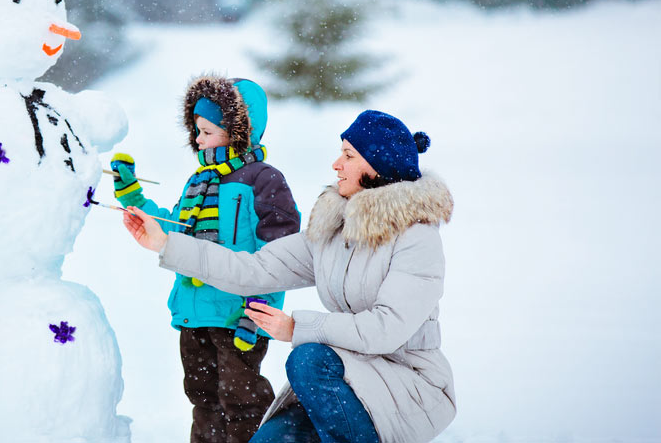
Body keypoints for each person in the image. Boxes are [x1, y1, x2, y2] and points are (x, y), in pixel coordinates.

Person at [121, 110, 457, 443]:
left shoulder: (417, 239)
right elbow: (253, 269)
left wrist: (296, 328)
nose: (336, 164)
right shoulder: (334, 233)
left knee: (308, 358)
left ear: (377, 167)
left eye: (348, 155)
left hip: (406, 385)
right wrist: (167, 244)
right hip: (348, 379)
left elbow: (386, 329)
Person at [110, 75, 301, 443]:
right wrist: (132, 196)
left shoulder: (263, 180)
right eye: (196, 131)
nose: (197, 140)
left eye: (207, 131)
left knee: (242, 399)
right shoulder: (199, 182)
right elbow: (175, 228)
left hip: (237, 316)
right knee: (203, 401)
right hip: (195, 314)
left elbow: (281, 253)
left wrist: (259, 311)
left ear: (237, 131)